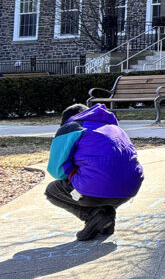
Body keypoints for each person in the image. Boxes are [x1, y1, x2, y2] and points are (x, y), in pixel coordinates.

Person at [45, 103, 145, 241]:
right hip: (129, 190)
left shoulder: (71, 128)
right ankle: (107, 221)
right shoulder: (115, 128)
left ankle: (94, 215)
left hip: (94, 189)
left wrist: (73, 170)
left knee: (53, 190)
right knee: (102, 180)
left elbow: (57, 171)